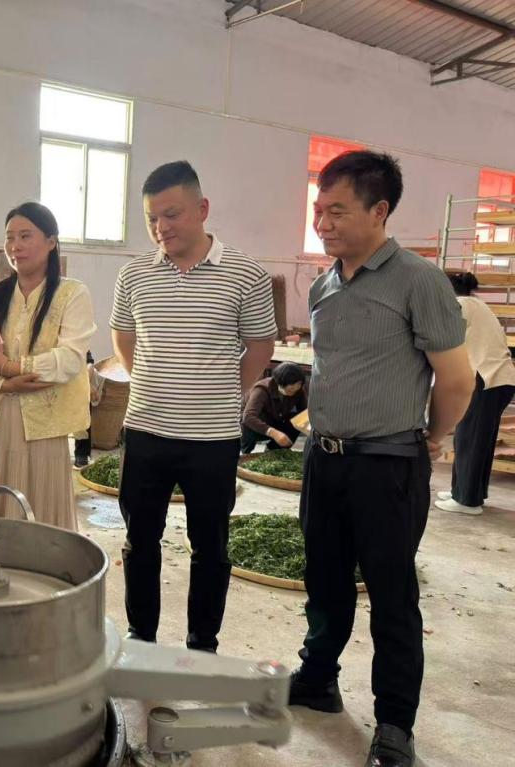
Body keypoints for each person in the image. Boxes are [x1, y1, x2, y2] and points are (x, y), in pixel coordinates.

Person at [289, 151, 474, 767]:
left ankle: (395, 723)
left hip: (387, 465)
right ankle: (318, 679)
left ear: (379, 210)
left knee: (392, 596)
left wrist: (433, 437)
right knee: (325, 580)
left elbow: (457, 379)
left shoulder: (419, 281)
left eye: (337, 211)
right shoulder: (325, 284)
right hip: (325, 460)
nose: (323, 223)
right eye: (319, 211)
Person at [110, 161, 276, 651]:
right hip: (145, 431)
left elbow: (259, 347)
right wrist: (153, 381)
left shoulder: (246, 273)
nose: (161, 228)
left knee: (210, 546)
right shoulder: (134, 274)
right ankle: (141, 636)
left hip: (212, 439)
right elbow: (123, 336)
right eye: (151, 219)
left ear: (202, 209)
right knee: (140, 540)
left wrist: (221, 393)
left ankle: (202, 643)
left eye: (172, 214)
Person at [0, 202, 95, 531]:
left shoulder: (71, 294)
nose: (15, 246)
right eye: (10, 237)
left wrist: (8, 366)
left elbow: (69, 360)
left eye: (25, 236)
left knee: (40, 516)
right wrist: (4, 384)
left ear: (51, 242)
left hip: (44, 428)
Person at [435, 272, 515, 515]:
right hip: (498, 378)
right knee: (476, 438)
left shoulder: (459, 305)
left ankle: (466, 501)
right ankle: (465, 492)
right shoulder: (477, 304)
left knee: (470, 438)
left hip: (486, 378)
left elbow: (443, 340)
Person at [240, 362, 307, 453]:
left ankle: (276, 451)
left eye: (298, 385)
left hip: (276, 418)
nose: (294, 391)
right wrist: (273, 432)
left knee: (297, 420)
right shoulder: (261, 389)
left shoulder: (298, 390)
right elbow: (248, 417)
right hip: (254, 423)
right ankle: (245, 451)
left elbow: (304, 413)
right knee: (248, 426)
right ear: (280, 382)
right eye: (291, 389)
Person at [73, 350, 104, 468]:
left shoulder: (78, 342)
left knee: (83, 396)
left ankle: (81, 454)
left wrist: (86, 384)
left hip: (78, 381)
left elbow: (89, 364)